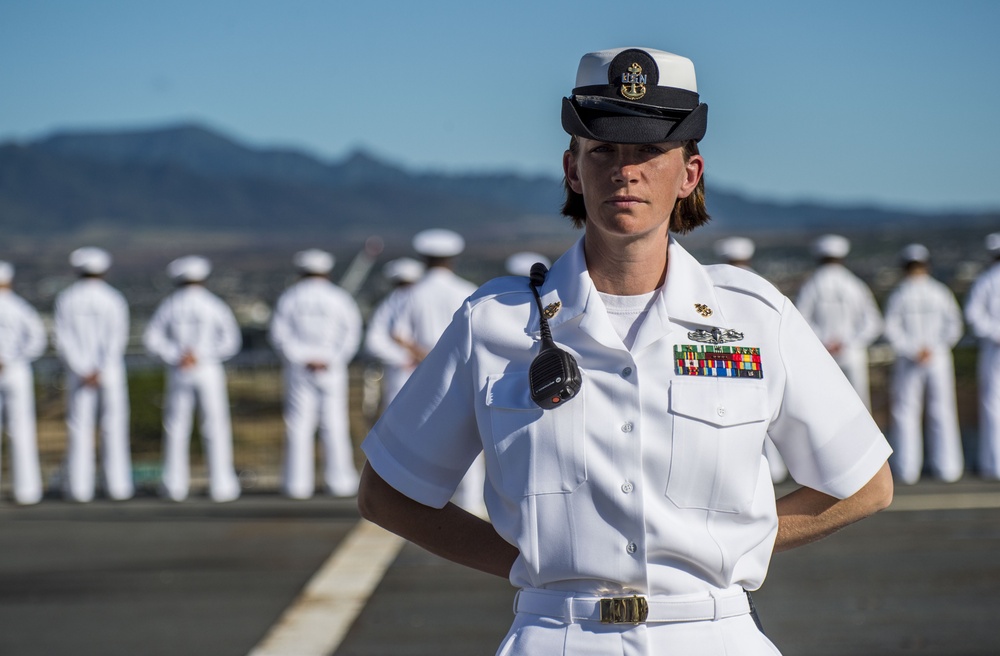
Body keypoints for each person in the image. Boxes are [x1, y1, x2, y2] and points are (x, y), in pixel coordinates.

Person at [358, 46, 893, 655]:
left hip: (713, 635)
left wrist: (726, 545)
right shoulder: (495, 322)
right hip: (559, 635)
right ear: (572, 168)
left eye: (648, 152)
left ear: (689, 173)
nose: (625, 171)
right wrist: (530, 565)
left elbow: (866, 485)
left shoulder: (753, 317)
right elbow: (387, 493)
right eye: (604, 150)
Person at [389, 228, 486, 516]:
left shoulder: (412, 293)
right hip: (465, 370)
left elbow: (398, 334)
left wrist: (428, 356)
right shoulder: (467, 289)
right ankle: (471, 501)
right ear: (453, 258)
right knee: (469, 436)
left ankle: (421, 500)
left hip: (423, 373)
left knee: (421, 437)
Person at [143, 255, 242, 502]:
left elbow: (151, 340)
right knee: (215, 427)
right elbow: (231, 341)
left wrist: (178, 354)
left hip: (180, 370)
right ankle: (222, 486)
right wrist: (202, 355)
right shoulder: (214, 304)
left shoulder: (170, 305)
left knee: (176, 428)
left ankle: (174, 487)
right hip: (208, 370)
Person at [269, 249, 363, 498]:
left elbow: (279, 337)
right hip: (331, 370)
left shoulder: (289, 298)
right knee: (335, 424)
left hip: (299, 370)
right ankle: (340, 482)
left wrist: (302, 358)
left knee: (299, 426)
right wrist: (331, 359)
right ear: (327, 271)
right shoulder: (339, 298)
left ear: (301, 271)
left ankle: (297, 485)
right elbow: (351, 333)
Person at [54, 247, 134, 502]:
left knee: (79, 428)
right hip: (109, 373)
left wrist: (81, 368)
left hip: (79, 375)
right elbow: (118, 338)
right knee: (114, 427)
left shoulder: (66, 299)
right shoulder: (114, 299)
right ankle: (118, 487)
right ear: (104, 270)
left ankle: (79, 489)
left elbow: (62, 339)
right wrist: (102, 367)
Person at [883, 244, 964, 484]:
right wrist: (935, 348)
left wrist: (912, 349)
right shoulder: (941, 292)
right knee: (942, 411)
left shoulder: (899, 294)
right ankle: (948, 468)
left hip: (910, 360)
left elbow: (890, 328)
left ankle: (907, 469)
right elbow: (954, 326)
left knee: (906, 413)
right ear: (926, 264)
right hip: (937, 359)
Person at [715, 236, 788, 483]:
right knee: (770, 414)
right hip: (765, 354)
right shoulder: (764, 284)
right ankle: (776, 469)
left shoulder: (716, 285)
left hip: (730, 357)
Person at [795, 234, 883, 409]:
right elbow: (874, 322)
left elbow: (799, 320)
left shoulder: (811, 285)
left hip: (821, 353)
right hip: (852, 353)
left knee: (823, 407)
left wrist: (824, 341)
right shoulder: (855, 284)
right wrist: (849, 342)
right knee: (860, 407)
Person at [0, 261, 46, 505]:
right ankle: (26, 490)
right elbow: (37, 340)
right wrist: (11, 359)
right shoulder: (20, 307)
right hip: (16, 372)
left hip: (11, 368)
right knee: (22, 430)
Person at [363, 257, 425, 411]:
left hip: (401, 370)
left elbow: (373, 342)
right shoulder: (429, 298)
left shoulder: (388, 304)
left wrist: (402, 357)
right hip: (421, 367)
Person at [964, 232, 1000, 480]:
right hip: (994, 347)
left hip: (994, 348)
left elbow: (973, 317)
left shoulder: (985, 280)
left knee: (993, 406)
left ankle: (995, 464)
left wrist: (996, 333)